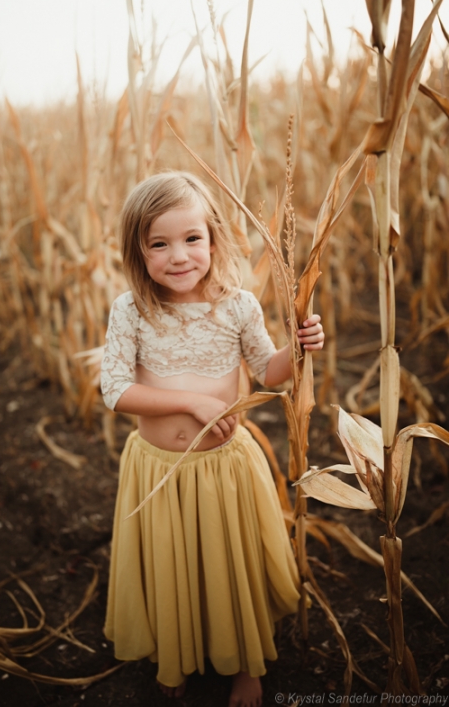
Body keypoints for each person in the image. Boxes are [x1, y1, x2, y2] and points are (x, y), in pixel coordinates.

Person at [100, 171, 324, 707]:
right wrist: (191, 402)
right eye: (159, 243)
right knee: (173, 562)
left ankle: (247, 665)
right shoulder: (131, 310)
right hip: (159, 471)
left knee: (229, 565)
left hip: (223, 466)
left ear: (214, 238)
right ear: (139, 251)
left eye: (191, 239)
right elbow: (114, 389)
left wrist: (299, 350)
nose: (178, 256)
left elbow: (266, 371)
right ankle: (175, 653)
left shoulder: (238, 306)